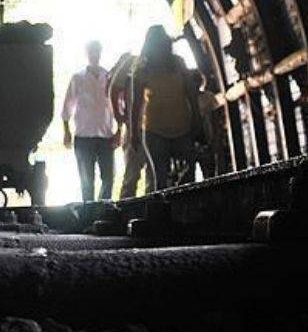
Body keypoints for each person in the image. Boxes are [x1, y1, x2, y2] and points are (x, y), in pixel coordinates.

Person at [130, 26, 203, 190]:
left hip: (182, 128)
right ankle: (164, 212)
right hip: (155, 131)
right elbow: (136, 104)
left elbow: (191, 92)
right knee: (160, 178)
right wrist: (134, 132)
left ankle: (185, 207)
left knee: (189, 173)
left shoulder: (178, 63)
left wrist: (196, 119)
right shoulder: (141, 70)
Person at [62, 40, 116, 201]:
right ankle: (88, 216)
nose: (94, 55)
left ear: (101, 53)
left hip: (106, 135)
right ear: (87, 54)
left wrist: (120, 131)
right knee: (87, 182)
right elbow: (67, 105)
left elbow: (118, 105)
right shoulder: (78, 78)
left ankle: (103, 212)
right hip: (83, 136)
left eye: (97, 52)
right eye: (91, 52)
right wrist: (66, 131)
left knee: (108, 178)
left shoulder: (109, 77)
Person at [108, 52, 152, 198]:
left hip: (155, 126)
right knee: (132, 176)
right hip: (137, 127)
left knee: (152, 177)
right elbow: (114, 88)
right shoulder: (133, 62)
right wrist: (120, 117)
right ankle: (126, 215)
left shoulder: (166, 62)